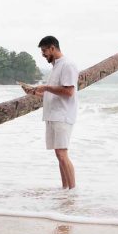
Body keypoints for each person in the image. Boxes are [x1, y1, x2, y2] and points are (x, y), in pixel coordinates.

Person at [32, 36, 79, 189]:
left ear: (53, 48)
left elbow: (69, 91)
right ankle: (65, 190)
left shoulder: (67, 65)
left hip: (63, 115)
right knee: (59, 155)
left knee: (62, 154)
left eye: (44, 50)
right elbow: (52, 94)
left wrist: (45, 87)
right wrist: (33, 93)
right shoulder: (56, 66)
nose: (43, 54)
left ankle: (72, 191)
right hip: (53, 116)